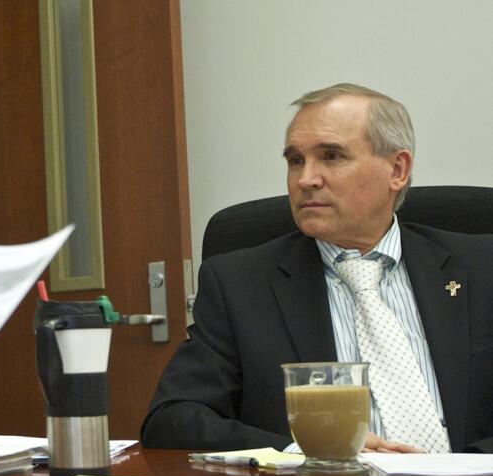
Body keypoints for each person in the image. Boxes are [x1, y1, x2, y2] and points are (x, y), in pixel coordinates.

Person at [142, 83, 493, 454]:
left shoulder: (481, 267)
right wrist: (306, 451)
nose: (305, 179)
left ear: (397, 169)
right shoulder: (239, 285)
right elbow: (171, 420)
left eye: (332, 157)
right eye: (295, 160)